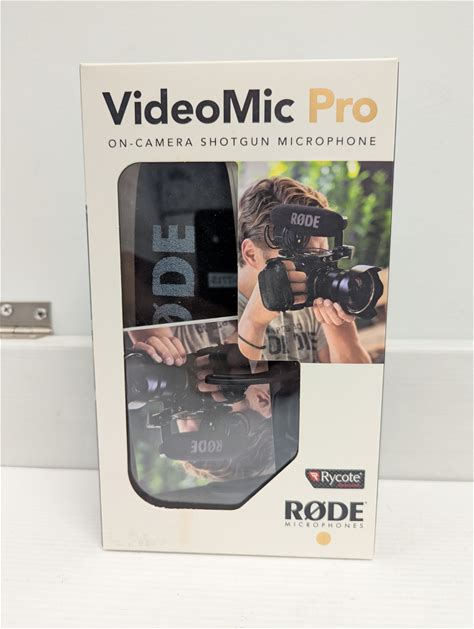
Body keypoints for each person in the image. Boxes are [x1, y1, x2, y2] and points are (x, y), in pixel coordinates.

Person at [237, 176, 371, 363]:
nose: (316, 270)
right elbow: (237, 381)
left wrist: (338, 325)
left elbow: (356, 378)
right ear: (251, 254)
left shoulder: (312, 297)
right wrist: (252, 324)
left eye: (323, 255)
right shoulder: (211, 316)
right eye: (303, 258)